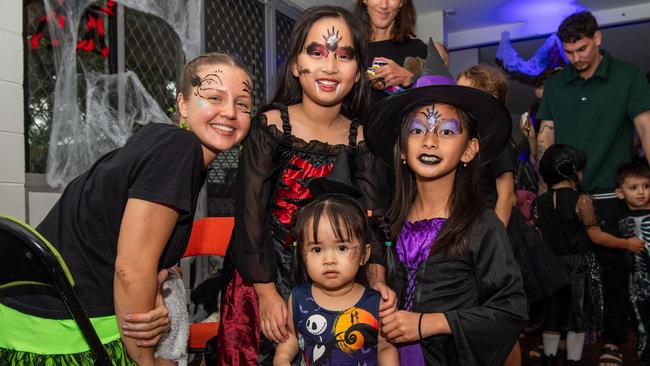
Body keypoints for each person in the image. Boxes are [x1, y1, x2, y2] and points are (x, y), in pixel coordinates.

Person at [0, 52, 254, 365]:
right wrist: (144, 360)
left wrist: (157, 289)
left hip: (22, 327)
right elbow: (131, 269)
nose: (230, 112)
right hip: (70, 339)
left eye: (242, 104)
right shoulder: (180, 148)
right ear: (184, 105)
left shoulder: (160, 142)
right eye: (214, 97)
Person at [217, 6, 393, 365]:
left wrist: (375, 279)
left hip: (337, 275)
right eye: (316, 52)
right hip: (264, 274)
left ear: (358, 71)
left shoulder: (362, 139)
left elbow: (373, 221)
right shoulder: (270, 126)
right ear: (296, 64)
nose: (330, 66)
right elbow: (249, 219)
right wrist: (266, 293)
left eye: (344, 56)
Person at [363, 40, 528, 364]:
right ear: (401, 147)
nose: (430, 139)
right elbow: (372, 265)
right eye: (417, 129)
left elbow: (511, 310)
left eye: (448, 131)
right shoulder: (388, 222)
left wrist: (427, 323)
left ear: (469, 149)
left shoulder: (482, 226)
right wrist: (377, 282)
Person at [535, 11, 650, 365]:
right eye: (569, 52)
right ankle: (560, 343)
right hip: (566, 195)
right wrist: (544, 196)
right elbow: (546, 139)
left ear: (597, 39)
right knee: (563, 273)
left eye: (582, 49)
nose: (576, 58)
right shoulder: (555, 85)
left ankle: (614, 342)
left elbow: (646, 129)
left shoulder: (629, 77)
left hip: (610, 194)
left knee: (613, 269)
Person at [533, 144, 645, 365]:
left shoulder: (541, 202)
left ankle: (550, 359)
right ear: (572, 172)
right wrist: (626, 243)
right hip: (577, 267)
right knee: (577, 319)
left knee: (553, 318)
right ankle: (573, 361)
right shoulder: (582, 200)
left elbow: (538, 236)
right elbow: (596, 237)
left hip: (550, 266)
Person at [273, 194, 399, 365]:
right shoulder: (298, 298)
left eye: (341, 248)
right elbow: (292, 338)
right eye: (317, 249)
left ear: (364, 254)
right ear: (303, 255)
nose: (329, 259)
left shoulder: (377, 303)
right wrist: (282, 358)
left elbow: (386, 348)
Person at [353, 0, 428, 105]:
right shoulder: (351, 48)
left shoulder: (418, 49)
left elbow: (437, 101)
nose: (384, 5)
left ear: (401, 2)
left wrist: (408, 79)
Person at [615, 161, 650, 364]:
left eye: (646, 186)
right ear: (620, 193)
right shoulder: (620, 220)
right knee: (642, 326)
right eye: (634, 187)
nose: (641, 192)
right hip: (634, 285)